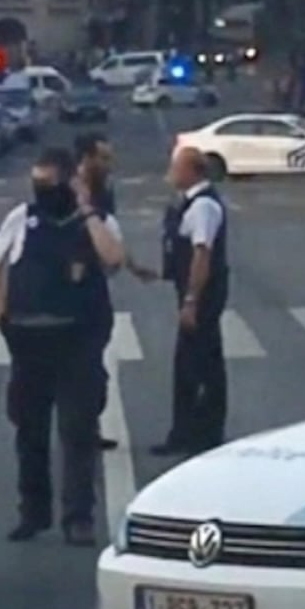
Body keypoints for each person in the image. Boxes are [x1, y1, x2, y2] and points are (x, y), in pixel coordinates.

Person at [0, 148, 124, 546]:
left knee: (78, 431)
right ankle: (33, 512)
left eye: (48, 182)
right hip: (29, 342)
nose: (41, 190)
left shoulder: (96, 221)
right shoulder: (22, 219)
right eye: (37, 183)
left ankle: (78, 516)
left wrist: (87, 210)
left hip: (78, 342)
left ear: (69, 182)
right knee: (29, 431)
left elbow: (114, 258)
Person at [73, 133, 160, 452]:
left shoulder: (103, 190)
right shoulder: (71, 192)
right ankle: (81, 425)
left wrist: (133, 266)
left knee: (92, 362)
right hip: (76, 288)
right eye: (104, 158)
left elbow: (111, 232)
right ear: (87, 159)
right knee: (84, 365)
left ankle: (87, 424)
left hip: (97, 283)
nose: (109, 165)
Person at [151, 147, 229, 457]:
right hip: (194, 293)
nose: (170, 173)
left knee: (193, 366)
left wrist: (192, 300)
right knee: (202, 363)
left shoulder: (203, 207)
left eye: (176, 167)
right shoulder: (191, 204)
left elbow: (202, 254)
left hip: (203, 296)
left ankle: (193, 434)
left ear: (192, 171)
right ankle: (199, 431)